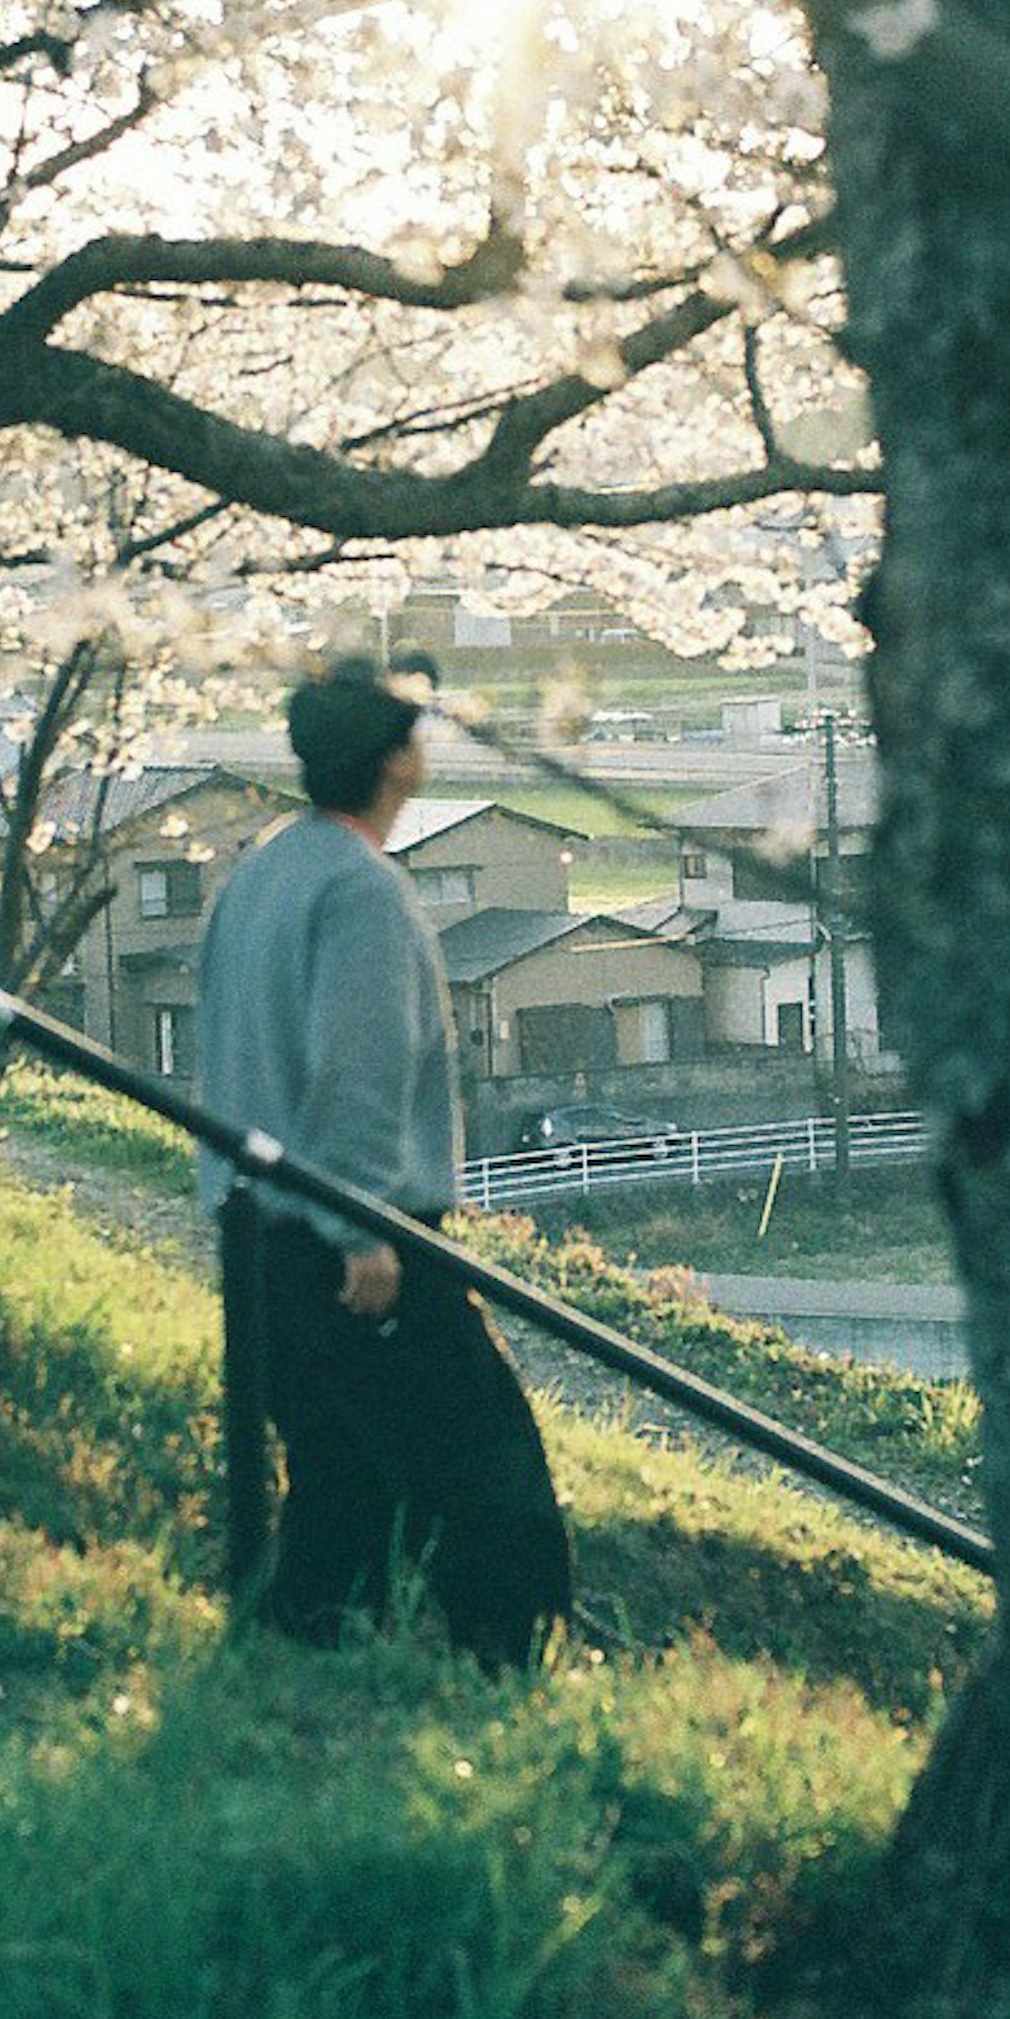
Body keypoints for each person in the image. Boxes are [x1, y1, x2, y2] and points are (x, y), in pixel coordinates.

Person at [192, 653, 574, 1667]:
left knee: (342, 1476)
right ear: (399, 758)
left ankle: (301, 1662)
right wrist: (363, 1228)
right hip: (352, 1235)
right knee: (489, 1470)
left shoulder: (260, 873)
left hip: (254, 1226)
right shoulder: (363, 889)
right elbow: (358, 1073)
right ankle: (509, 1667)